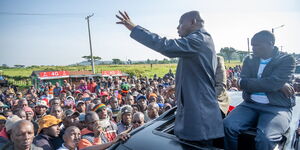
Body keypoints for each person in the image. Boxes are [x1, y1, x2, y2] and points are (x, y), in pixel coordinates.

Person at [116, 10, 224, 142]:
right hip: (196, 114)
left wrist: (134, 28)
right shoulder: (198, 40)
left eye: (180, 23)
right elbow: (197, 75)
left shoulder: (199, 39)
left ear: (193, 22)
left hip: (199, 117)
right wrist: (177, 86)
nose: (177, 28)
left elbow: (165, 45)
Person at [223, 30, 296, 150]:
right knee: (227, 125)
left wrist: (274, 83)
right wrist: (277, 84)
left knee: (265, 138)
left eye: (257, 45)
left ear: (271, 43)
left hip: (277, 107)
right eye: (252, 45)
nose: (253, 48)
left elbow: (271, 83)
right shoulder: (249, 59)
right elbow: (270, 83)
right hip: (250, 104)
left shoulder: (287, 59)